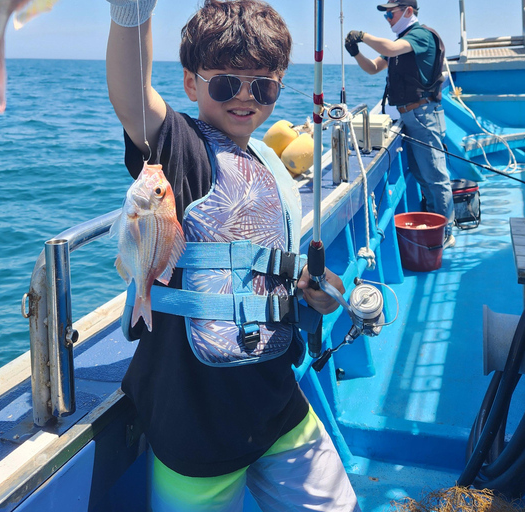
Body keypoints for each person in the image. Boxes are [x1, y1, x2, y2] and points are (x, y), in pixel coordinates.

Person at [105, 0, 360, 510]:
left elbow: (267, 269)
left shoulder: (266, 163)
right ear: (191, 83)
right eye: (226, 84)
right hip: (195, 422)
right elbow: (133, 99)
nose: (245, 97)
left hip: (276, 400)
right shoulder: (181, 149)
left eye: (263, 86)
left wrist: (313, 291)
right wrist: (132, 12)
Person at [345, 0, 455, 248]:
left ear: (408, 11)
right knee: (422, 173)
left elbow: (392, 49)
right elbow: (373, 67)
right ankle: (435, 223)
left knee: (435, 176)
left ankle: (446, 232)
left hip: (424, 116)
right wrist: (356, 52)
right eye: (385, 16)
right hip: (409, 117)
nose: (388, 20)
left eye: (390, 14)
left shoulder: (420, 36)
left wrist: (363, 36)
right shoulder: (402, 41)